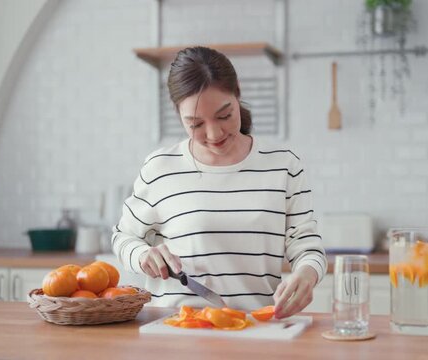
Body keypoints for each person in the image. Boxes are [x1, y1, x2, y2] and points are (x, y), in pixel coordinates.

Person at [112, 46, 327, 319]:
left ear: (237, 92)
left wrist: (307, 275)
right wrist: (142, 255)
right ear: (178, 114)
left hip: (254, 329)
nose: (214, 134)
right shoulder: (160, 168)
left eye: (224, 116)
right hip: (174, 332)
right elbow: (123, 237)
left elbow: (307, 245)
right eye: (195, 124)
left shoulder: (283, 166)